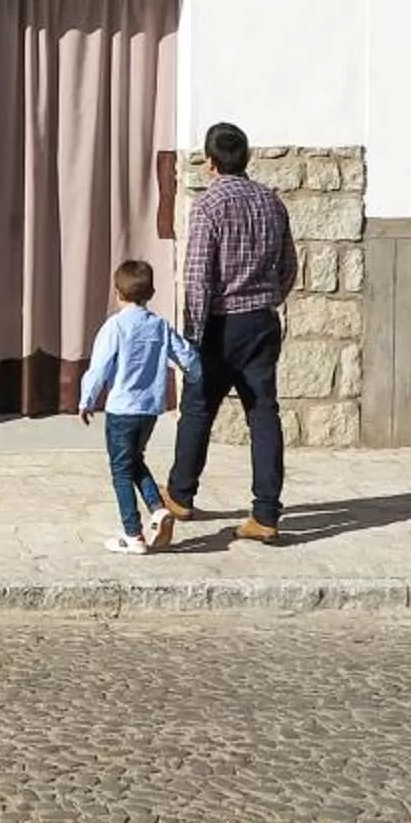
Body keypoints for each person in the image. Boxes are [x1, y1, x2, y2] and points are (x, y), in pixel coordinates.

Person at [166, 120, 299, 543]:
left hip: (221, 325)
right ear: (246, 158)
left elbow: (198, 277)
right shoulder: (271, 202)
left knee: (198, 408)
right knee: (263, 414)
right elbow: (289, 266)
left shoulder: (209, 206)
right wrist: (269, 298)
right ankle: (266, 513)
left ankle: (180, 495)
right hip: (262, 320)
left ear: (210, 162)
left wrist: (193, 333)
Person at [78, 257, 201, 553]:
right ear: (151, 293)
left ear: (117, 292)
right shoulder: (159, 326)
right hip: (149, 410)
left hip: (122, 409)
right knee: (134, 460)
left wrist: (87, 399)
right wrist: (195, 376)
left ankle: (133, 534)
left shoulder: (115, 327)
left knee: (120, 469)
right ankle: (158, 510)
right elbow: (186, 355)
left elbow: (99, 368)